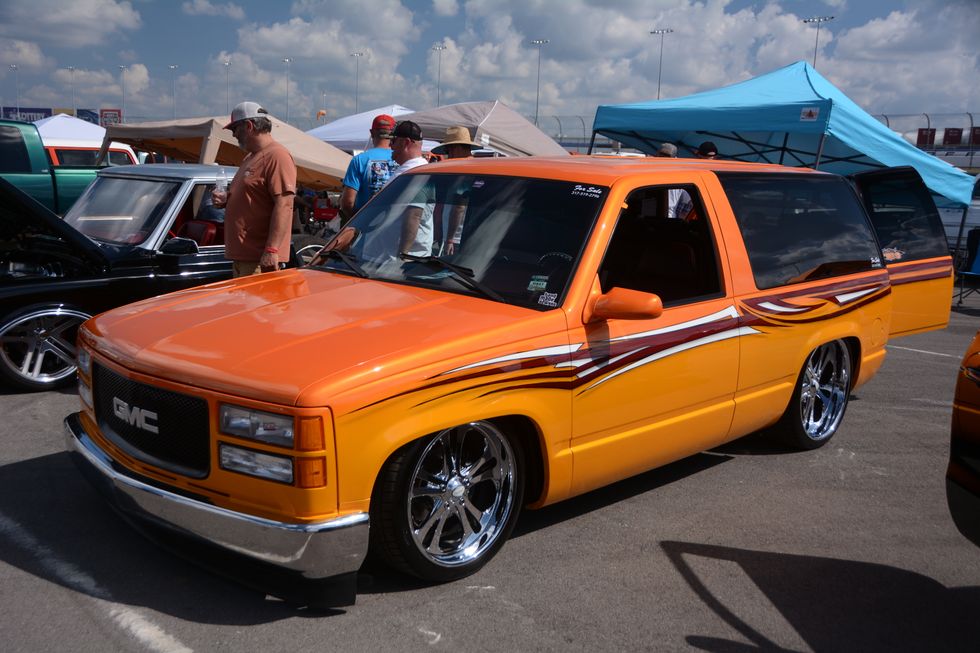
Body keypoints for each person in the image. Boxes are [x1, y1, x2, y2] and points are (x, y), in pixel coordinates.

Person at [211, 101, 296, 277]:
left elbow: (285, 205)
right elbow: (254, 198)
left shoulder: (277, 156)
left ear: (249, 126)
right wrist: (227, 200)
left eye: (235, 129)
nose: (234, 135)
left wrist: (272, 250)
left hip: (259, 259)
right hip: (245, 257)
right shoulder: (250, 157)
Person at [431, 125, 479, 254]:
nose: (448, 156)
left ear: (456, 148)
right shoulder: (476, 167)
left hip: (456, 239)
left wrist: (450, 240)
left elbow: (459, 207)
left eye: (448, 151)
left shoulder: (463, 171)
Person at [339, 114, 397, 220]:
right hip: (396, 226)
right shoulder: (402, 159)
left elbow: (347, 203)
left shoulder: (359, 160)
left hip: (368, 228)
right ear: (393, 134)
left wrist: (359, 222)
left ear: (371, 132)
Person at [654, 142, 694, 220]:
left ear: (675, 159)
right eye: (661, 156)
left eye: (666, 157)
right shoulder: (647, 174)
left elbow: (688, 203)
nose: (663, 160)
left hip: (669, 220)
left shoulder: (680, 178)